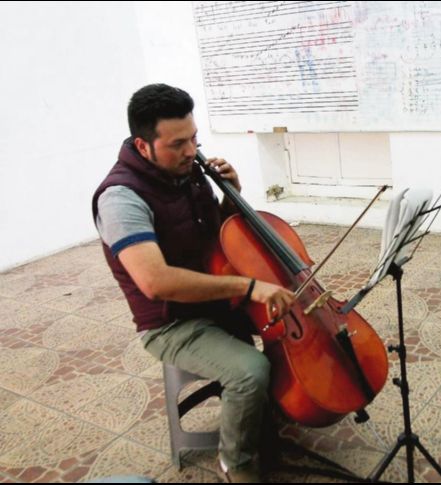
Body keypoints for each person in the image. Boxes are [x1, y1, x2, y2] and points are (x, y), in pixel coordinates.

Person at [92, 84, 295, 482]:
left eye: (195, 139)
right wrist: (248, 287)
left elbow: (215, 242)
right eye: (178, 144)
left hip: (214, 301)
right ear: (143, 145)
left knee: (292, 323)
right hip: (171, 322)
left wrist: (231, 195)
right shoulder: (120, 198)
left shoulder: (186, 171)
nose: (191, 152)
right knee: (250, 370)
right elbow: (156, 282)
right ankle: (234, 464)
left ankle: (271, 413)